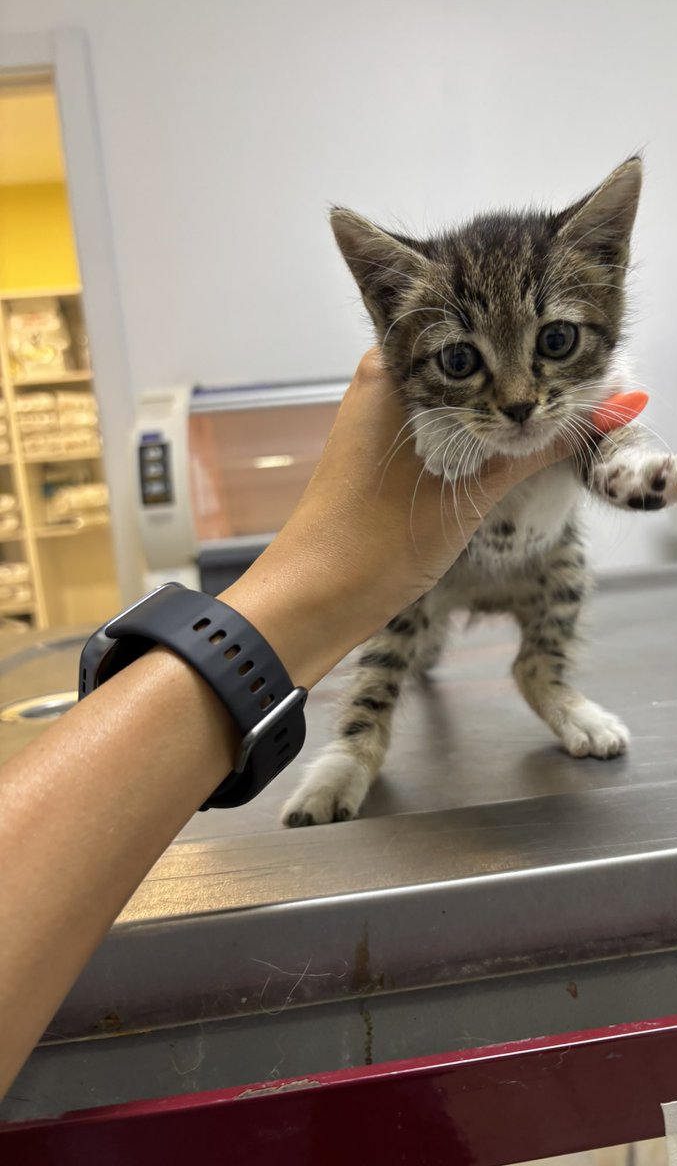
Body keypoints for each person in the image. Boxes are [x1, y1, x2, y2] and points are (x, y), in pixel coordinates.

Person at [0, 349, 633, 1097]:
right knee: (400, 632)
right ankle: (360, 740)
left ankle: (542, 682)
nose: (521, 392)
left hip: (529, 554)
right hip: (411, 571)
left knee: (524, 595)